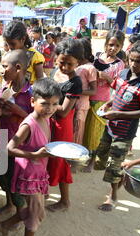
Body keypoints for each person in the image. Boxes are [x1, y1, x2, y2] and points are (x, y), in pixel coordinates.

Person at [0, 78, 61, 236]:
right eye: (45, 104)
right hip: (28, 174)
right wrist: (34, 155)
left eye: (55, 104)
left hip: (39, 172)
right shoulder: (29, 124)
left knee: (37, 212)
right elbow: (9, 149)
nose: (50, 108)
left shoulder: (46, 119)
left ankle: (6, 225)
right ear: (32, 102)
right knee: (36, 213)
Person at [95, 39, 140, 212]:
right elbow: (117, 93)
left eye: (139, 61)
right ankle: (120, 176)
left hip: (124, 133)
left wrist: (118, 114)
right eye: (132, 59)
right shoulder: (123, 74)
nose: (134, 64)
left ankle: (112, 196)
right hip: (110, 126)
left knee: (113, 165)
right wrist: (108, 104)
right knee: (102, 156)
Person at [46, 39, 83, 212]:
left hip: (62, 125)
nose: (65, 67)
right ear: (56, 59)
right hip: (48, 121)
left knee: (60, 161)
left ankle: (65, 201)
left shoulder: (76, 82)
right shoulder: (55, 72)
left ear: (78, 62)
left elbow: (64, 111)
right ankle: (44, 190)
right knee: (46, 156)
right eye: (62, 63)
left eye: (70, 64)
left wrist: (46, 102)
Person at [0, 50, 31, 219]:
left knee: (16, 181)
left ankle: (20, 214)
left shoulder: (31, 94)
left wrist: (17, 111)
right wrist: (1, 110)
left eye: (4, 66)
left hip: (19, 146)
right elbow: (0, 114)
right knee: (3, 178)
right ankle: (9, 205)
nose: (2, 70)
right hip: (2, 141)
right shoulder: (4, 88)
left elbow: (36, 119)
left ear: (18, 68)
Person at [82, 30, 125, 173]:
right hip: (87, 97)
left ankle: (91, 162)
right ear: (106, 44)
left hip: (102, 100)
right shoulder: (97, 57)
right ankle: (84, 156)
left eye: (117, 46)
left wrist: (107, 78)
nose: (113, 48)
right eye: (111, 45)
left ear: (121, 47)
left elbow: (119, 86)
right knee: (85, 130)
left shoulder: (119, 64)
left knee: (96, 134)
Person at [3, 20, 45, 84]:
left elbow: (41, 82)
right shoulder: (8, 56)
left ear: (23, 39)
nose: (10, 47)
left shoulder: (35, 56)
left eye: (13, 44)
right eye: (8, 44)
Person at [74, 38, 97, 146]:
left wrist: (75, 91)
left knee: (78, 132)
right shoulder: (77, 65)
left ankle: (74, 160)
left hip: (81, 105)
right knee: (73, 130)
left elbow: (93, 90)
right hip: (73, 104)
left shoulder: (90, 68)